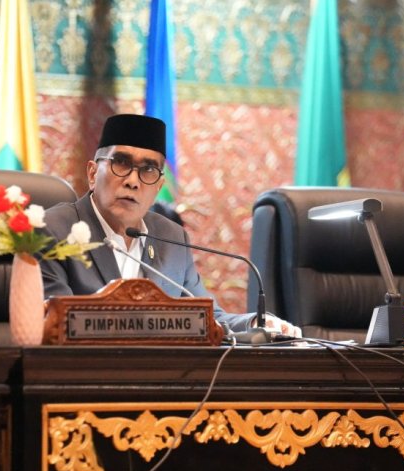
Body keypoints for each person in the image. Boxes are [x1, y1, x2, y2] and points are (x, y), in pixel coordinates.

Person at [40, 113, 299, 336]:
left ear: (158, 187)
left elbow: (208, 318)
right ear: (93, 173)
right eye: (121, 163)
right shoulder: (53, 230)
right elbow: (56, 323)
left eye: (148, 170)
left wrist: (256, 323)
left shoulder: (172, 237)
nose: (133, 181)